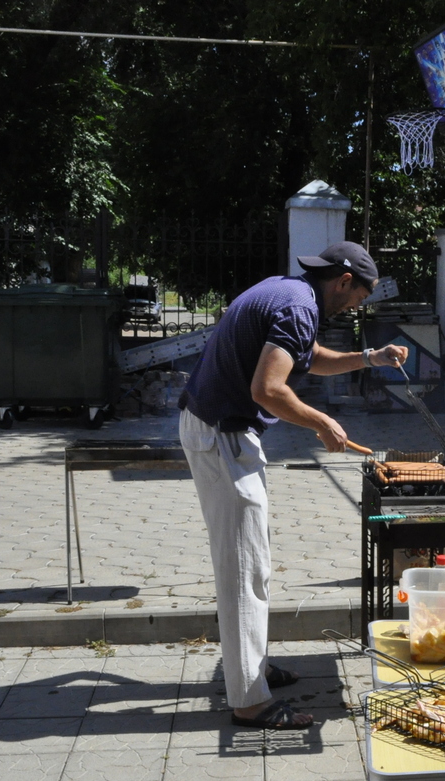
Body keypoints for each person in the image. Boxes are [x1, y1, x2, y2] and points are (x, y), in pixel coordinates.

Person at [178, 241, 408, 730]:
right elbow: (269, 389)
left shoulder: (289, 291)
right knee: (246, 570)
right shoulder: (301, 306)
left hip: (221, 432)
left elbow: (308, 358)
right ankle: (249, 701)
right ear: (344, 281)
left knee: (252, 561)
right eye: (358, 298)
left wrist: (370, 357)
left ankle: (251, 671)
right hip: (224, 436)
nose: (355, 307)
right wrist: (321, 422)